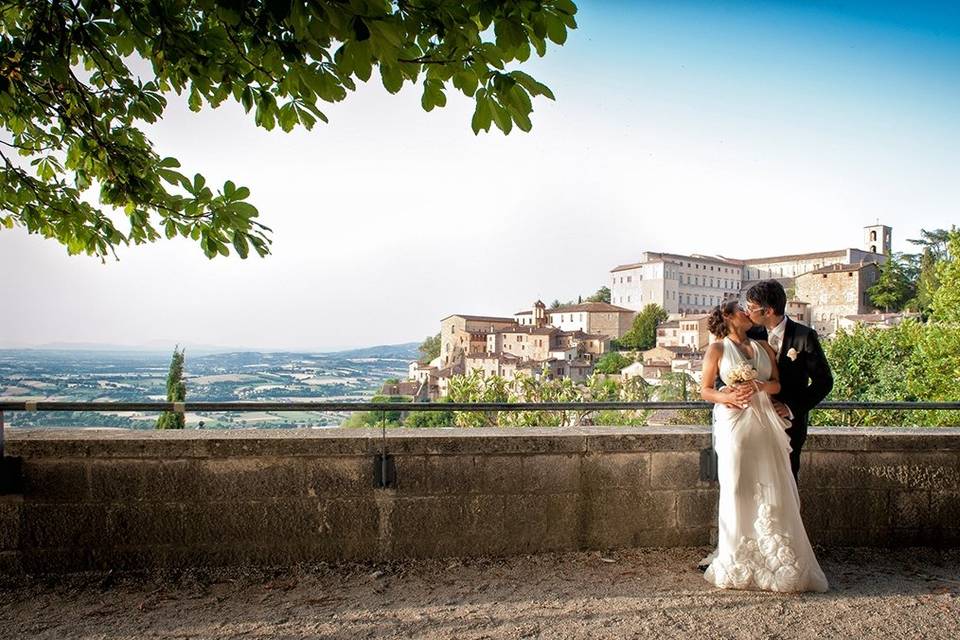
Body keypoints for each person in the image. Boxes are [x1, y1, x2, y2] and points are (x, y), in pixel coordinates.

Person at [699, 300, 828, 592]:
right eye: (742, 310)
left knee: (772, 483)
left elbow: (777, 385)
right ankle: (735, 558)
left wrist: (758, 386)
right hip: (734, 422)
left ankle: (773, 556)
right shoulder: (717, 349)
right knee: (736, 485)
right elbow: (705, 389)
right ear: (729, 317)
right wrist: (726, 397)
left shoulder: (764, 347)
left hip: (764, 422)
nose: (748, 313)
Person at [742, 280, 833, 480]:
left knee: (787, 482)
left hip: (789, 426)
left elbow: (824, 382)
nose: (747, 312)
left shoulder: (804, 336)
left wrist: (791, 408)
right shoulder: (749, 334)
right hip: (753, 422)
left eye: (751, 307)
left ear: (769, 311)